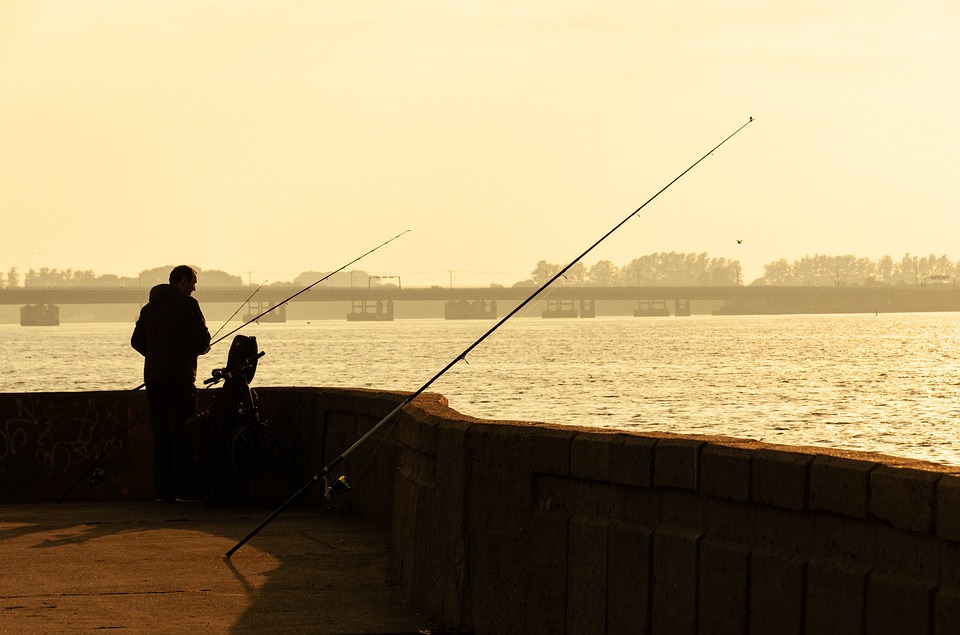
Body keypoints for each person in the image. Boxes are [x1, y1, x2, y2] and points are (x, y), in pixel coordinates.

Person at [132, 265, 211, 502]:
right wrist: (199, 349)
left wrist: (156, 355)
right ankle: (184, 491)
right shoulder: (187, 305)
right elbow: (202, 339)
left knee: (162, 435)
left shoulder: (149, 308)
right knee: (182, 433)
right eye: (193, 283)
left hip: (154, 379)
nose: (194, 289)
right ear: (183, 281)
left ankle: (163, 492)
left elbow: (136, 341)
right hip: (179, 377)